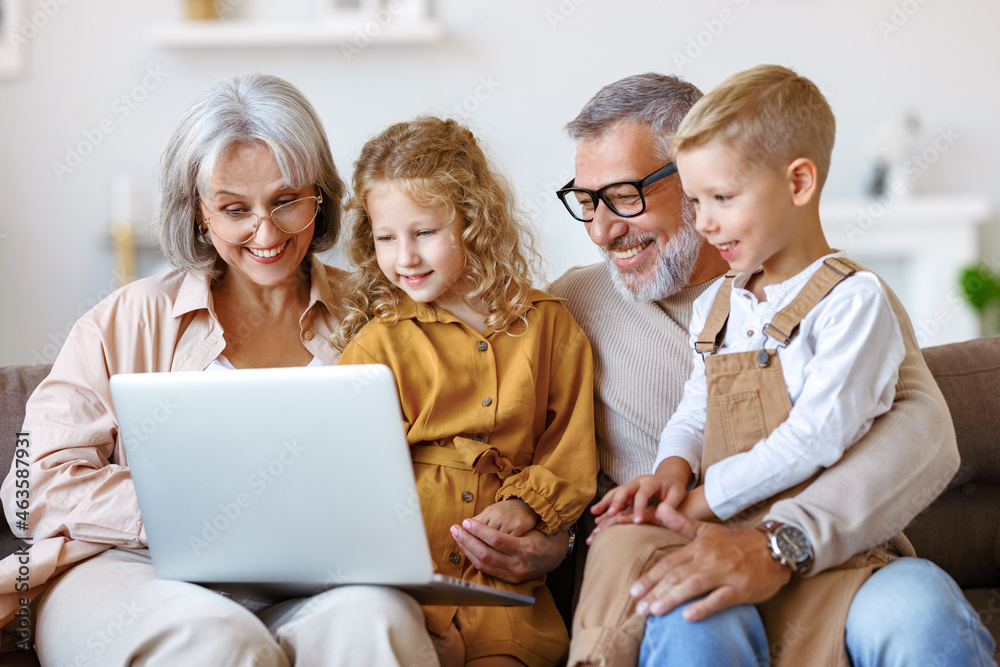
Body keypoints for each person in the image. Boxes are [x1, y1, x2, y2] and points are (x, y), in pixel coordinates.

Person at [550, 72, 995, 666]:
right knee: (692, 619)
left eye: (624, 196)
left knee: (921, 608)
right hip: (682, 555)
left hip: (829, 557)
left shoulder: (851, 299)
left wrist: (777, 542)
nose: (602, 230)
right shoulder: (570, 307)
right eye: (585, 202)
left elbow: (925, 439)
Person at [0, 73, 441, 666]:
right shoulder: (127, 319)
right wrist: (187, 514)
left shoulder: (380, 315)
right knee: (214, 641)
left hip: (318, 578)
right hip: (134, 571)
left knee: (379, 623)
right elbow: (33, 486)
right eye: (235, 210)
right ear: (200, 213)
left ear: (321, 195)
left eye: (287, 200)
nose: (266, 233)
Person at [336, 116, 598, 667]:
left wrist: (528, 507)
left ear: (473, 221)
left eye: (425, 233)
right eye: (386, 238)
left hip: (503, 588)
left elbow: (571, 448)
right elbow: (346, 478)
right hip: (407, 586)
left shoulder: (549, 325)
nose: (404, 257)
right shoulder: (375, 344)